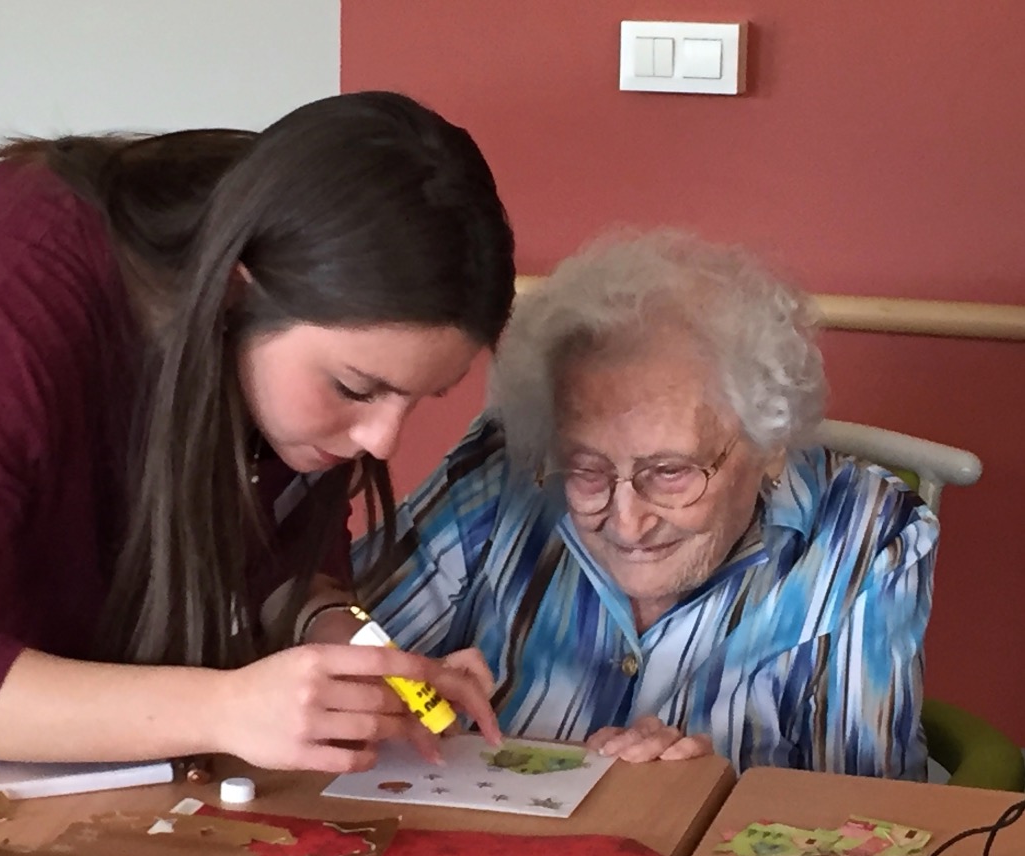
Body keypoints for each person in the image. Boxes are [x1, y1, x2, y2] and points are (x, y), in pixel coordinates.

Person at [0, 91, 516, 771]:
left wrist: (340, 637)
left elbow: (277, 556)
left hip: (92, 655)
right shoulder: (6, 289)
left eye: (418, 399)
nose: (383, 441)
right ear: (235, 290)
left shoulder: (292, 258)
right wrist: (225, 709)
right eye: (356, 388)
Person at [356, 230, 937, 779]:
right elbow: (345, 640)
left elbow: (865, 825)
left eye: (671, 473)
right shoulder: (503, 470)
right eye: (587, 470)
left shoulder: (864, 535)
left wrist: (714, 793)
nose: (627, 522)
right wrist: (396, 697)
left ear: (769, 443)